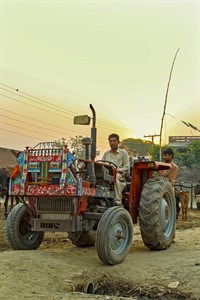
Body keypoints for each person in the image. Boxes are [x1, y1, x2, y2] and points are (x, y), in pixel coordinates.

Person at [102, 133, 130, 206]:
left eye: (114, 141)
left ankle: (118, 202)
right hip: (107, 175)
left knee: (115, 176)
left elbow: (127, 167)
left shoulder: (123, 153)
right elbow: (102, 165)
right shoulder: (106, 154)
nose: (112, 143)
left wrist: (117, 170)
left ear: (118, 142)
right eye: (110, 141)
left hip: (120, 176)